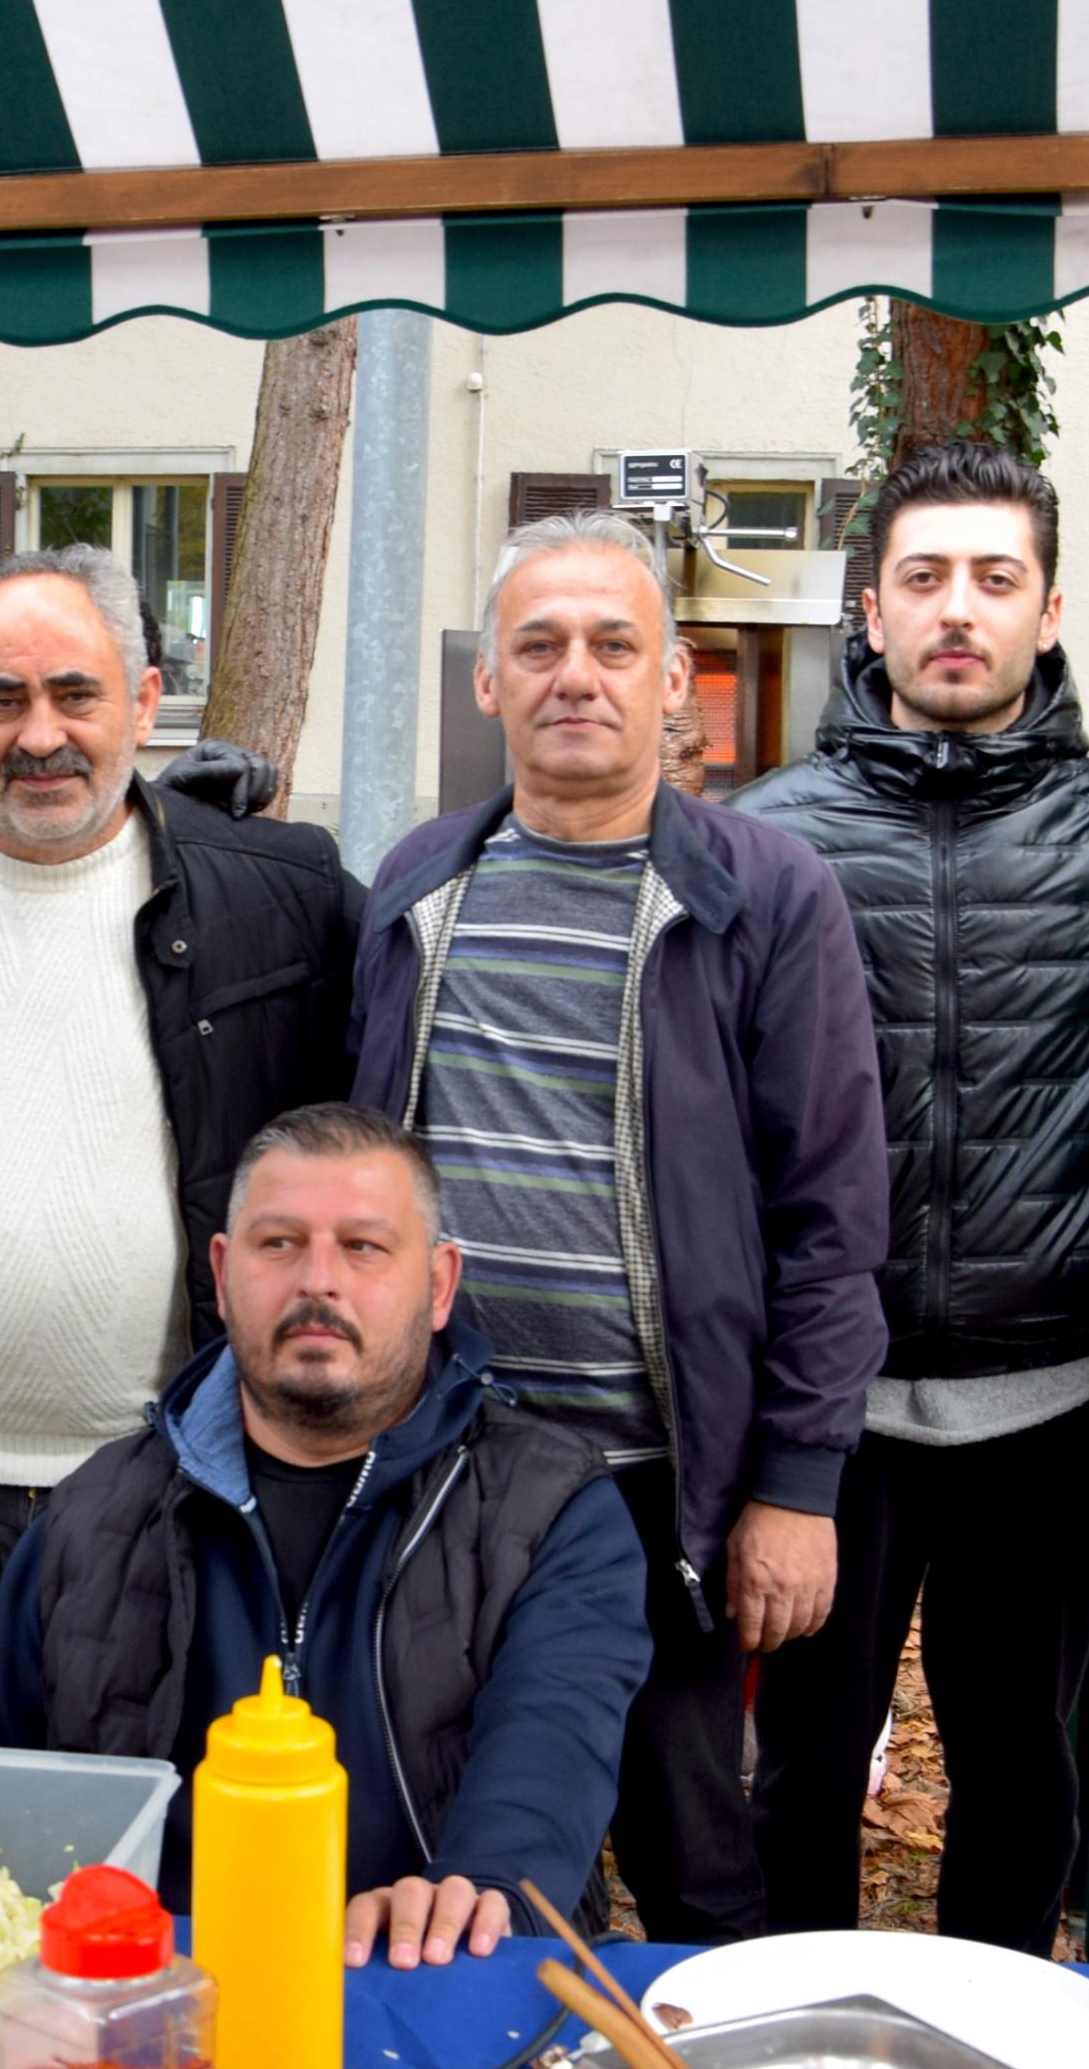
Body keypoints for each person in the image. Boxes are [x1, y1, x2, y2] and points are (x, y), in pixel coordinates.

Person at [352, 511, 885, 1941]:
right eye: (538, 646)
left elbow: (832, 1214)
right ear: (489, 680)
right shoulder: (418, 889)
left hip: (662, 1485)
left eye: (612, 645)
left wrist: (797, 1484)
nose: (574, 675)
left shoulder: (764, 896)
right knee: (472, 1854)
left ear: (671, 681)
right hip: (449, 1473)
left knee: (695, 1857)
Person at [734, 442, 1089, 1945]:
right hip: (830, 1412)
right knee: (803, 1775)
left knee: (1024, 1774)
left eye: (995, 579)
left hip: (1048, 1402)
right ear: (870, 609)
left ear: (1047, 611)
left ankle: (1003, 2039)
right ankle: (797, 2031)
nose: (958, 609)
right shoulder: (769, 834)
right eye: (924, 576)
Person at [0, 548, 357, 1734]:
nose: (39, 734)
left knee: (162, 1825)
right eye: (2, 699)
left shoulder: (282, 898)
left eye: (75, 694)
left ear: (144, 703)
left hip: (170, 1480)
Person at [0, 1105, 650, 1963]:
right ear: (221, 1272)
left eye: (363, 1246)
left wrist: (470, 1901)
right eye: (278, 1243)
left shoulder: (550, 1511)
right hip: (149, 1994)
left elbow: (546, 1779)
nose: (318, 1280)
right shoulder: (97, 1510)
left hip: (430, 1983)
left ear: (438, 1285)